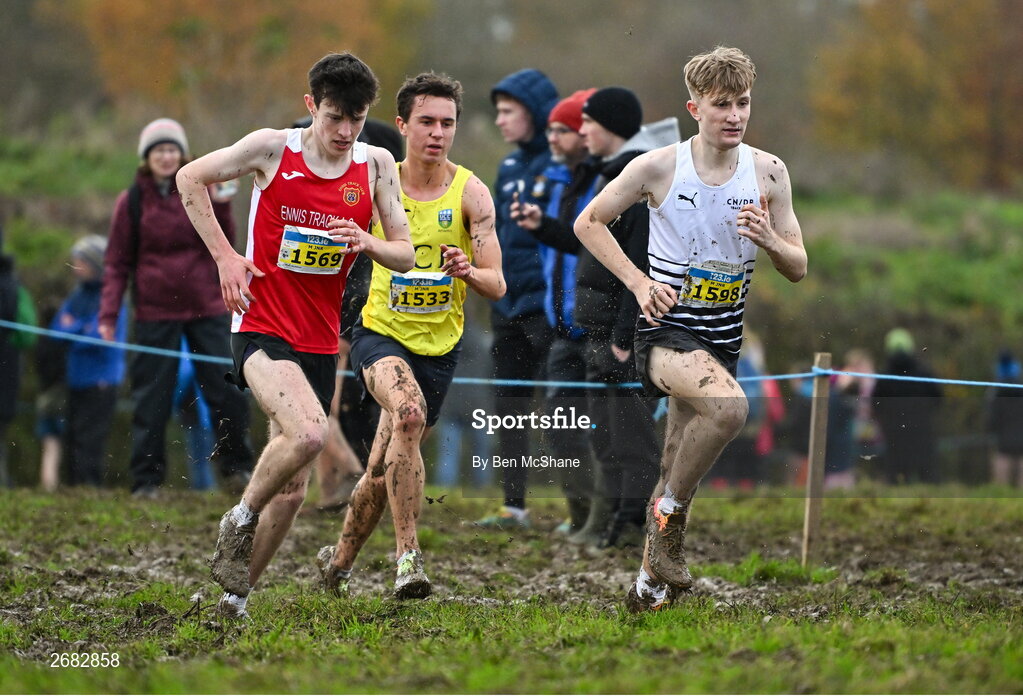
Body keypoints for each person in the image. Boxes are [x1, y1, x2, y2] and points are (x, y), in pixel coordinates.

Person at [176, 52, 414, 619]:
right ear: (311, 106)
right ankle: (238, 519)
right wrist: (225, 258)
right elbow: (189, 178)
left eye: (356, 119)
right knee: (309, 433)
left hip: (319, 338)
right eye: (334, 117)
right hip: (260, 323)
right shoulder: (271, 148)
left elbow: (404, 253)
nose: (345, 131)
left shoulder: (377, 164)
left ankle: (232, 600)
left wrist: (367, 241)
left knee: (293, 490)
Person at [575, 47, 807, 612]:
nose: (735, 115)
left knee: (677, 459)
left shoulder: (769, 171)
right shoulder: (657, 167)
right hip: (665, 332)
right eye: (722, 104)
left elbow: (798, 265)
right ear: (695, 108)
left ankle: (648, 587)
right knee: (730, 410)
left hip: (722, 338)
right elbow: (588, 222)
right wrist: (637, 284)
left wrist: (770, 241)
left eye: (743, 103)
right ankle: (670, 517)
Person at [316, 72, 504, 599]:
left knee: (380, 471)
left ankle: (337, 564)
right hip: (379, 334)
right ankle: (409, 559)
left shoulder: (472, 194)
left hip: (439, 349)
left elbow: (497, 283)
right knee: (409, 413)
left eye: (447, 123)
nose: (437, 133)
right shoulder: (376, 182)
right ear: (401, 125)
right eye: (426, 122)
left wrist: (468, 271)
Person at [514, 87, 673, 548]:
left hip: (618, 334)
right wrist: (545, 228)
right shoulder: (611, 173)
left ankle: (633, 527)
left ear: (611, 126)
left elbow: (642, 263)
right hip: (597, 329)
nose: (582, 132)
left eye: (588, 122)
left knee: (631, 437)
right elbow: (595, 249)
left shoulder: (638, 179)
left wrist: (624, 333)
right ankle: (612, 524)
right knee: (607, 436)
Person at [99, 117, 255, 498]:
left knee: (228, 390)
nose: (166, 157)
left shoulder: (204, 190)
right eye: (159, 151)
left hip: (207, 305)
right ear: (146, 158)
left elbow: (225, 242)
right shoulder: (131, 202)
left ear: (183, 154)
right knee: (150, 399)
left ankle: (237, 470)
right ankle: (146, 481)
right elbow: (117, 263)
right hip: (155, 312)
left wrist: (223, 206)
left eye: (172, 149)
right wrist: (108, 315)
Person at [506, 88, 596, 535]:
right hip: (562, 328)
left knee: (609, 431)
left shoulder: (605, 182)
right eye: (551, 130)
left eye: (563, 130)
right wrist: (539, 224)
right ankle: (583, 518)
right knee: (560, 426)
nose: (553, 138)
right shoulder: (555, 181)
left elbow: (589, 246)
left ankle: (615, 520)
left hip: (599, 330)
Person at [475, 69, 559, 530]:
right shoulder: (507, 168)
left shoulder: (564, 163)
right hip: (507, 309)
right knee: (508, 408)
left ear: (536, 112)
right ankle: (514, 507)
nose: (500, 121)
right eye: (498, 112)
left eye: (509, 111)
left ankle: (592, 512)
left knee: (566, 411)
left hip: (548, 311)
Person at [54, 235, 127, 487]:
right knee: (72, 437)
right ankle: (73, 490)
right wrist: (83, 327)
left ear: (95, 264)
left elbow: (101, 337)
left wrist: (73, 328)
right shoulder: (77, 295)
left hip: (101, 382)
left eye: (81, 261)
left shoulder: (111, 297)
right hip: (76, 379)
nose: (76, 267)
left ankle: (90, 489)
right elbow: (56, 331)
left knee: (91, 440)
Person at [872, 328, 943, 484]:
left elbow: (876, 404)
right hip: (922, 431)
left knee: (896, 479)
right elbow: (937, 398)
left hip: (894, 433)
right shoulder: (924, 373)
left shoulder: (883, 377)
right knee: (928, 478)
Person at [986, 350, 1023, 487]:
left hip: (1003, 441)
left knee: (1002, 477)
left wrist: (991, 431)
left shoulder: (995, 392)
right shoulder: (1019, 386)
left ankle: (1001, 493)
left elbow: (991, 419)